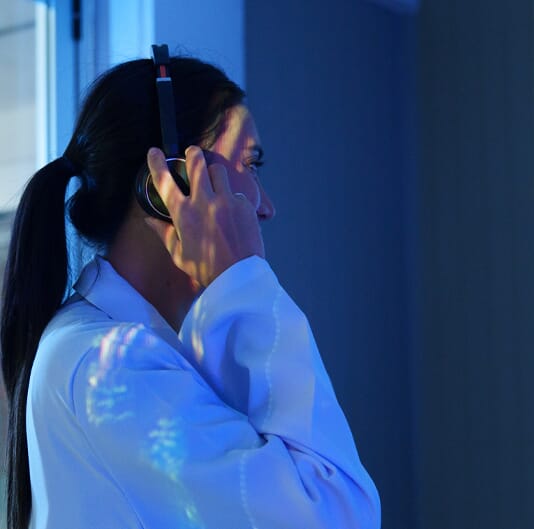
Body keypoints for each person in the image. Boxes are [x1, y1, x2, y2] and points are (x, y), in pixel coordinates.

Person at [1, 54, 380, 528]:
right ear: (171, 184)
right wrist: (243, 277)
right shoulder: (110, 361)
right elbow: (336, 512)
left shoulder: (140, 351)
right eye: (250, 164)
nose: (266, 206)